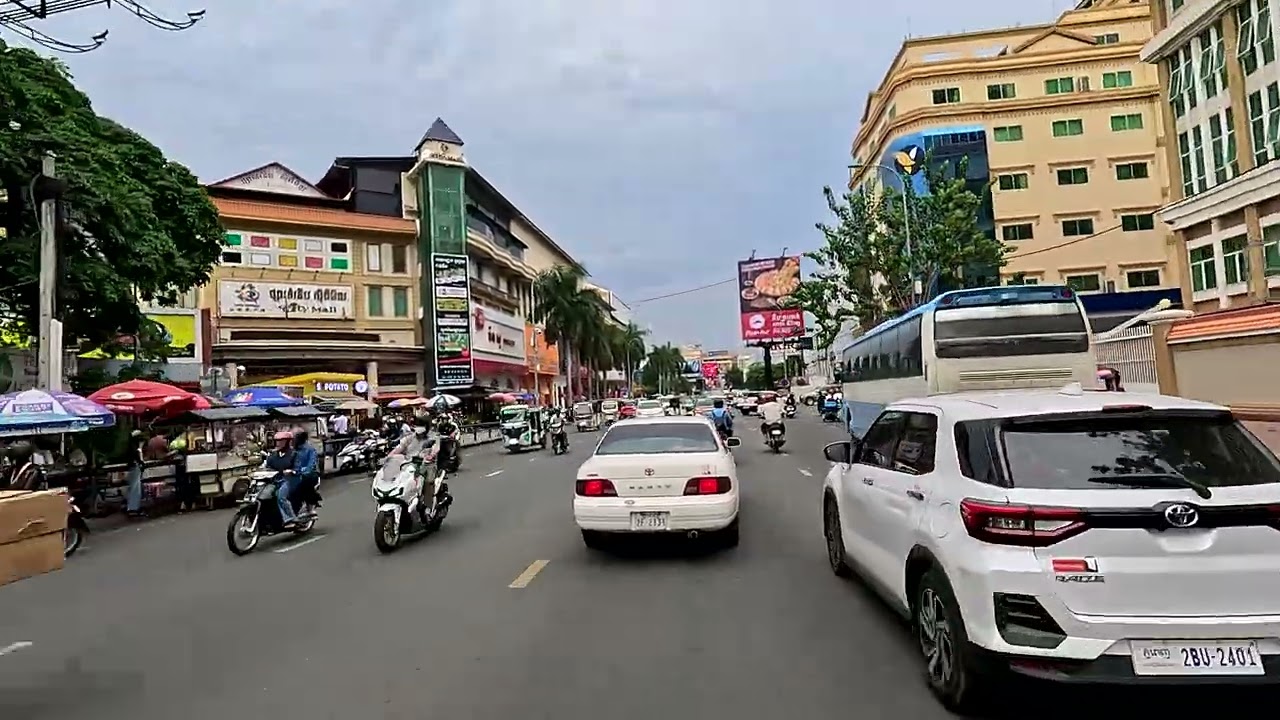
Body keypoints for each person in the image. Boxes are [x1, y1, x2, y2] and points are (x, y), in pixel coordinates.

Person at [264, 431, 297, 525]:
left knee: (281, 496)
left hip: (288, 480)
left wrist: (292, 471)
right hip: (274, 480)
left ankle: (290, 518)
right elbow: (267, 466)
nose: (278, 443)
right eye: (277, 441)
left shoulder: (294, 454)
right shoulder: (272, 455)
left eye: (281, 441)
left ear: (287, 442)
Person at [290, 429, 320, 516]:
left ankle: (310, 507)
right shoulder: (293, 449)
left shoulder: (309, 449)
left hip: (310, 474)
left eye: (294, 438)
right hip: (294, 474)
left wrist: (302, 471)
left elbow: (311, 464)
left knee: (303, 484)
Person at [125, 430, 147, 518]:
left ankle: (132, 507)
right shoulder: (135, 448)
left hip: (131, 466)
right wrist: (141, 462)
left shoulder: (130, 446)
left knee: (133, 487)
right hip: (135, 466)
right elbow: (138, 457)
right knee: (135, 487)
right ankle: (133, 508)